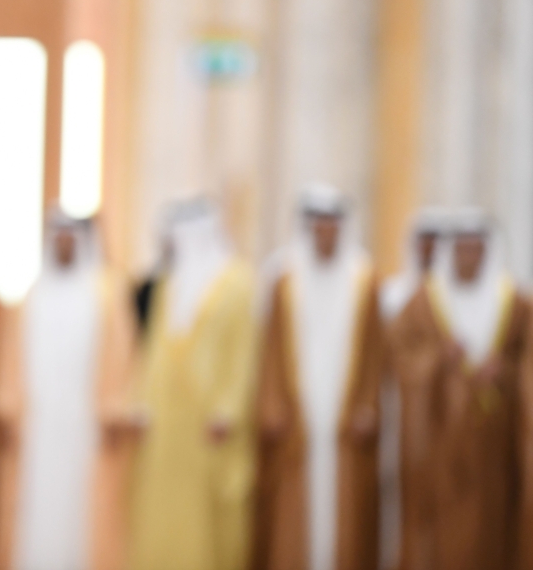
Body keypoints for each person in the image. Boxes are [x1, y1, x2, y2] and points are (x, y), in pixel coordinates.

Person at [0, 212, 137, 570]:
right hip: (37, 428)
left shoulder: (105, 298)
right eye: (59, 238)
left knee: (83, 508)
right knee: (37, 504)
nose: (65, 245)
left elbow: (124, 359)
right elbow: (8, 363)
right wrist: (7, 406)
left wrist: (115, 407)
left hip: (85, 426)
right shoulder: (30, 298)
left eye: (72, 238)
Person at [388, 208, 530, 570]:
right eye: (462, 250)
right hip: (439, 446)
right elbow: (400, 355)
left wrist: (507, 372)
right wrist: (438, 358)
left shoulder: (515, 304)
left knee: (491, 531)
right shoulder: (424, 302)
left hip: (494, 450)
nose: (469, 258)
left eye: (476, 249)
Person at [252, 184, 383, 570]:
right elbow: (271, 351)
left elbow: (376, 355)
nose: (326, 234)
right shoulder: (284, 280)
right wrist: (273, 406)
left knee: (344, 515)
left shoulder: (364, 280)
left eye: (333, 226)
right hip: (298, 417)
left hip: (344, 421)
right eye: (319, 226)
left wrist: (368, 405)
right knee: (295, 515)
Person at [128, 199, 258, 570]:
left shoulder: (238, 281)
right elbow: (155, 349)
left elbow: (244, 353)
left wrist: (228, 410)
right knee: (165, 512)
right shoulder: (170, 283)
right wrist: (142, 403)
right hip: (168, 423)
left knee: (211, 517)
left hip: (211, 424)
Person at [375, 206, 448, 570]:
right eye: (424, 242)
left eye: (437, 243)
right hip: (396, 416)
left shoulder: (455, 301)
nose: (429, 250)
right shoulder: (391, 297)